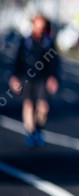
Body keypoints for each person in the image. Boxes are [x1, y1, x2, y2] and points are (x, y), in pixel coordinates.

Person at [9, 14, 60, 147]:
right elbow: (18, 60)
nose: (39, 28)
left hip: (43, 79)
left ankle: (38, 129)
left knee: (43, 108)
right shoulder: (26, 42)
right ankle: (30, 133)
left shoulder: (48, 43)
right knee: (29, 105)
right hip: (27, 78)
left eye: (42, 26)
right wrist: (15, 77)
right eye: (37, 25)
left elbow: (54, 62)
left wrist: (53, 77)